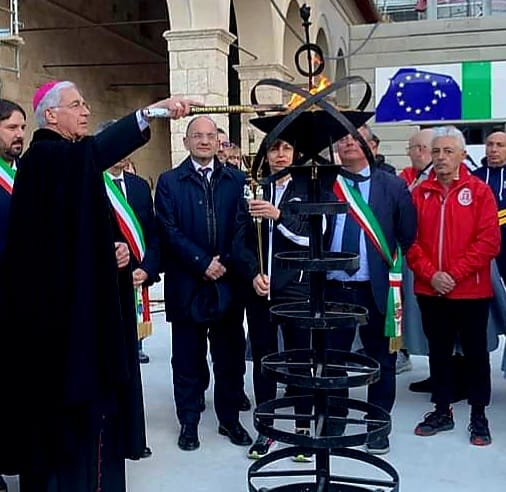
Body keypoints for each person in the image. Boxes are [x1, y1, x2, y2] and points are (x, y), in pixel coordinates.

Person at [0, 80, 194, 491]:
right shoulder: (46, 157)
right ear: (51, 115)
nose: (86, 111)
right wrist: (151, 112)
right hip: (56, 326)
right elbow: (95, 153)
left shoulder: (66, 160)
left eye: (86, 103)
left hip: (77, 311)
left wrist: (114, 250)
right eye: (76, 104)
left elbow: (73, 234)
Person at [155, 115, 252, 452]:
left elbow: (243, 227)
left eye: (211, 136)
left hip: (227, 283)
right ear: (186, 142)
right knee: (187, 360)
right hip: (186, 283)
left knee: (229, 358)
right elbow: (167, 229)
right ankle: (189, 423)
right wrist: (201, 262)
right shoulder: (169, 182)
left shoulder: (237, 180)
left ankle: (229, 421)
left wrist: (223, 262)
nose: (205, 141)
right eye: (197, 135)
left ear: (219, 142)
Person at [326, 125, 417, 455]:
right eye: (343, 137)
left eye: (356, 137)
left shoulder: (392, 186)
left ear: (372, 145)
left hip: (375, 288)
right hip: (334, 288)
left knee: (381, 362)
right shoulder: (325, 182)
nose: (348, 142)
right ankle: (335, 418)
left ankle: (378, 426)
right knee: (333, 360)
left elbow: (407, 234)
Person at [407, 126, 499, 446]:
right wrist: (432, 274)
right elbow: (410, 241)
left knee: (475, 354)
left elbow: (489, 241)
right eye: (436, 152)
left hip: (470, 290)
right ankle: (442, 409)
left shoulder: (479, 191)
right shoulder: (419, 193)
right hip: (430, 290)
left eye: (448, 151)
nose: (441, 157)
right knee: (439, 353)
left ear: (462, 155)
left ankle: (478, 414)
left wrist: (454, 274)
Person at [234, 138, 313, 460]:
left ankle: (303, 428)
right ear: (265, 155)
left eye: (287, 148)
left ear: (296, 153)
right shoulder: (254, 188)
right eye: (274, 149)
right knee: (265, 360)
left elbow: (312, 238)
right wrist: (253, 273)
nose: (280, 155)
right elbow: (238, 238)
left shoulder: (309, 188)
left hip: (295, 288)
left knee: (299, 360)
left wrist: (278, 215)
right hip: (260, 288)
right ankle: (265, 429)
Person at [0, 98, 27, 492]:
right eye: (11, 128)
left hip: (22, 303)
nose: (20, 135)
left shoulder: (24, 173)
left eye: (23, 127)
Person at [396, 128, 435, 375]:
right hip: (423, 261)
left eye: (410, 148)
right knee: (432, 323)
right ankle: (440, 376)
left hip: (445, 265)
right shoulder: (414, 177)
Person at [473, 131, 506, 280]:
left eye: (500, 145)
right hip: (481, 242)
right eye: (490, 145)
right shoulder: (474, 177)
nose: (493, 149)